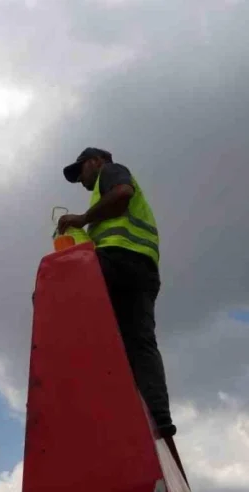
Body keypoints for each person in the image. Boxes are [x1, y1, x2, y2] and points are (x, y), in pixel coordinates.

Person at [57, 147, 175, 439]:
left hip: (119, 260)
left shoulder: (112, 171)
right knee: (138, 343)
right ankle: (157, 415)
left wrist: (82, 219)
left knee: (57, 289)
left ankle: (75, 397)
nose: (82, 182)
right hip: (144, 271)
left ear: (97, 162)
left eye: (81, 170)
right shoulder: (103, 199)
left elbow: (122, 193)